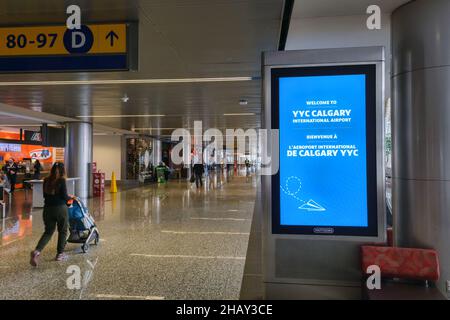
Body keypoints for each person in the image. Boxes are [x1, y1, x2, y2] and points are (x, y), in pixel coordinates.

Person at [30, 162, 73, 266]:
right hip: (60, 209)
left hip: (47, 209)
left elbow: (45, 196)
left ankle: (37, 251)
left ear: (52, 169)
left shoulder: (46, 180)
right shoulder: (62, 180)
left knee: (48, 232)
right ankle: (60, 254)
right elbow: (64, 196)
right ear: (63, 170)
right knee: (62, 231)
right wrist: (71, 197)